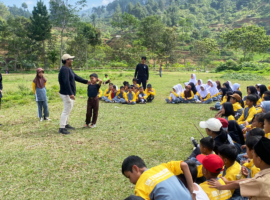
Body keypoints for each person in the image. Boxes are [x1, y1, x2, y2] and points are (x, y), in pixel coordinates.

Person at [121, 155, 193, 200]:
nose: (130, 181)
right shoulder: (163, 167)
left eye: (129, 177)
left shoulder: (140, 186)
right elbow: (184, 165)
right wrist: (191, 192)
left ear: (135, 168)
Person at [58, 54, 90, 135]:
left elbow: (76, 77)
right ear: (66, 60)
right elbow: (66, 82)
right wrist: (70, 93)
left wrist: (86, 81)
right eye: (71, 59)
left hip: (68, 93)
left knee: (68, 109)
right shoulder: (64, 69)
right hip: (66, 93)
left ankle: (66, 124)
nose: (72, 60)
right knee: (66, 110)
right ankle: (62, 128)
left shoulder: (68, 69)